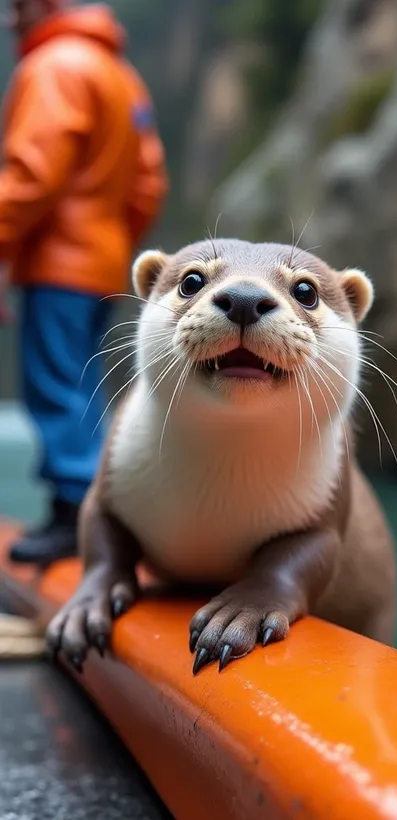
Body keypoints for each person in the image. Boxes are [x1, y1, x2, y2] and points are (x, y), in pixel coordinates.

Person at [0, 0, 169, 565]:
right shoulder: (121, 77)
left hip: (56, 263)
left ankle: (74, 515)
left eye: (18, 6)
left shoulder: (52, 67)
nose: (10, 19)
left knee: (54, 385)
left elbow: (30, 174)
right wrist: (112, 239)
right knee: (84, 388)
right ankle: (102, 511)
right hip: (103, 262)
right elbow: (148, 183)